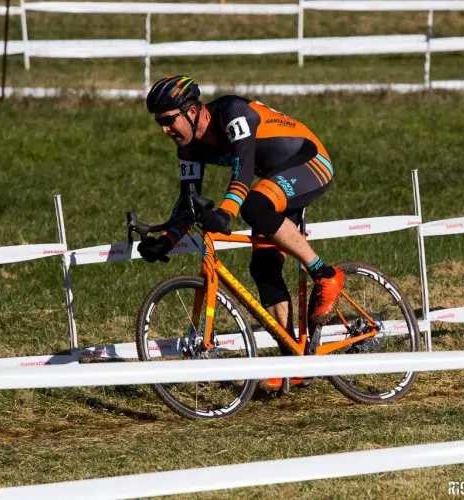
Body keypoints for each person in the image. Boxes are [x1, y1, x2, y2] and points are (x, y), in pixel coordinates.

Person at [138, 75, 344, 390]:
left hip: (309, 163)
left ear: (192, 112)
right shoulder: (188, 149)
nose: (164, 129)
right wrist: (165, 241)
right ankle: (295, 359)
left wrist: (225, 212)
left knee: (254, 206)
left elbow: (243, 170)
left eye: (168, 120)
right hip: (277, 179)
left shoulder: (233, 113)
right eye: (159, 123)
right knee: (263, 266)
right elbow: (187, 205)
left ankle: (326, 274)